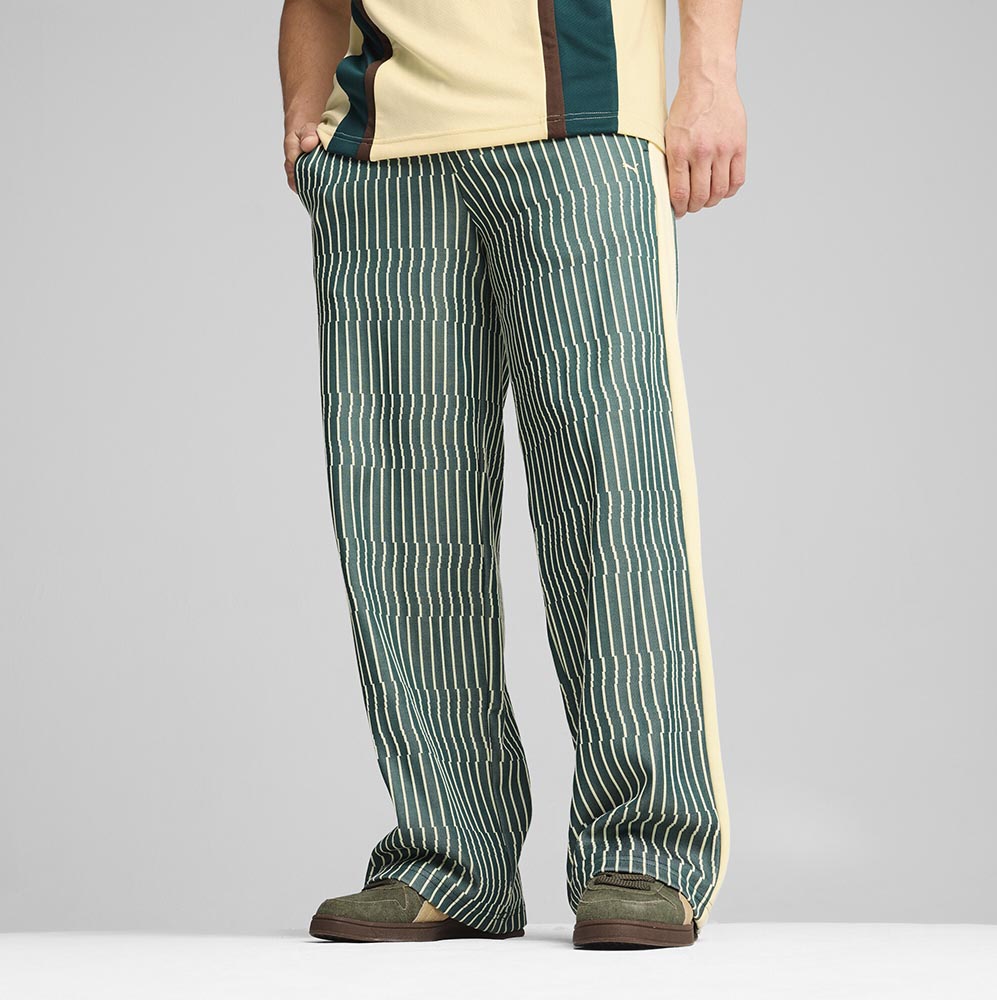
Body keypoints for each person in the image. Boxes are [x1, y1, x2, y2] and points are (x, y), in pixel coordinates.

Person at [279, 0, 744, 949]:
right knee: (402, 513)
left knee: (613, 494)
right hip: (380, 155)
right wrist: (304, 107)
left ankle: (646, 845)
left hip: (577, 124)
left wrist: (709, 74)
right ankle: (449, 855)